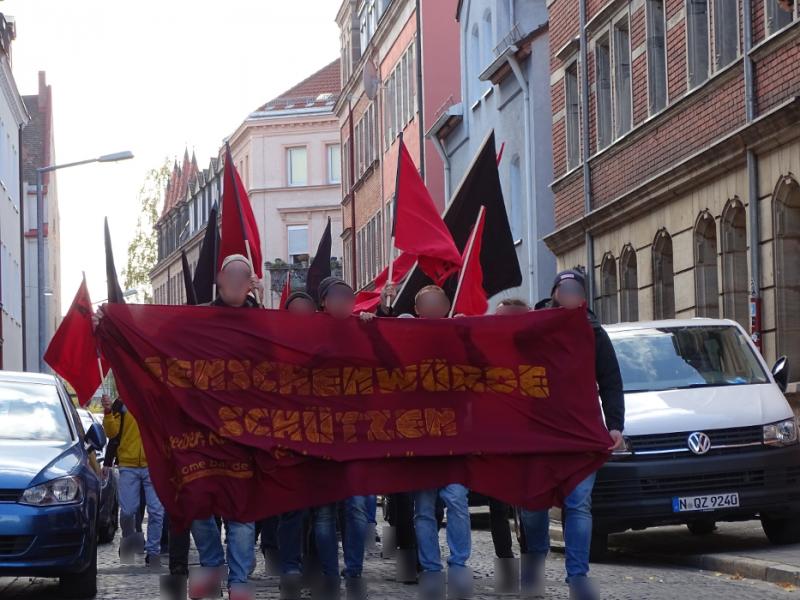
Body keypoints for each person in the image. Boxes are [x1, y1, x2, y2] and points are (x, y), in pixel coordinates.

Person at [519, 270, 625, 600]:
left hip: (581, 431)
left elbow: (610, 380)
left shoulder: (594, 333)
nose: (569, 295)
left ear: (583, 297)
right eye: (564, 289)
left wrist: (615, 424)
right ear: (554, 293)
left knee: (579, 503)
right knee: (533, 505)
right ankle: (534, 568)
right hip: (539, 433)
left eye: (575, 290)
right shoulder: (531, 329)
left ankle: (577, 577)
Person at [189, 254, 262, 600]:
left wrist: (265, 307)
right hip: (204, 429)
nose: (236, 281)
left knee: (242, 513)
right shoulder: (199, 317)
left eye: (243, 275)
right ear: (219, 279)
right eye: (230, 274)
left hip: (248, 432)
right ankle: (212, 565)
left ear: (251, 282)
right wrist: (114, 321)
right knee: (199, 506)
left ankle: (239, 581)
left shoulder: (263, 320)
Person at [403, 285, 473, 600]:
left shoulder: (457, 335)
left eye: (437, 303)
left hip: (453, 436)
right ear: (418, 310)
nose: (432, 308)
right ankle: (431, 568)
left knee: (457, 499)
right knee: (423, 508)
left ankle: (458, 565)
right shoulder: (406, 338)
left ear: (446, 306)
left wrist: (468, 334)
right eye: (426, 304)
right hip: (419, 435)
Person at [309, 276, 371, 600]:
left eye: (349, 296)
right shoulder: (307, 333)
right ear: (323, 302)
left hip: (356, 435)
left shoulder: (363, 328)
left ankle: (355, 570)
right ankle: (331, 575)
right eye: (337, 296)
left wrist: (377, 323)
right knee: (323, 513)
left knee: (357, 508)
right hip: (320, 436)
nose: (344, 302)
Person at [102, 394, 165, 566]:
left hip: (154, 464)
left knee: (157, 512)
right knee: (128, 510)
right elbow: (112, 432)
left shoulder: (158, 399)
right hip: (128, 465)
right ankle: (129, 538)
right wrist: (108, 412)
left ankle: (153, 552)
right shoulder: (121, 403)